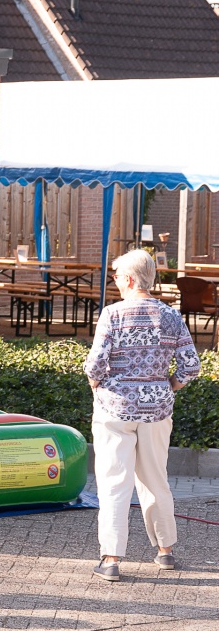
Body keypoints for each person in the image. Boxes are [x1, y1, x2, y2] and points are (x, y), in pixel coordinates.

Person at [84, 249, 200, 582]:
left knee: (113, 483)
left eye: (117, 276)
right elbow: (191, 365)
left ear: (130, 279)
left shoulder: (112, 314)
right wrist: (169, 386)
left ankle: (111, 559)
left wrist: (96, 384)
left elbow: (96, 363)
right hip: (157, 410)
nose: (115, 281)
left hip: (115, 408)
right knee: (155, 479)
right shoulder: (171, 316)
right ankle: (165, 551)